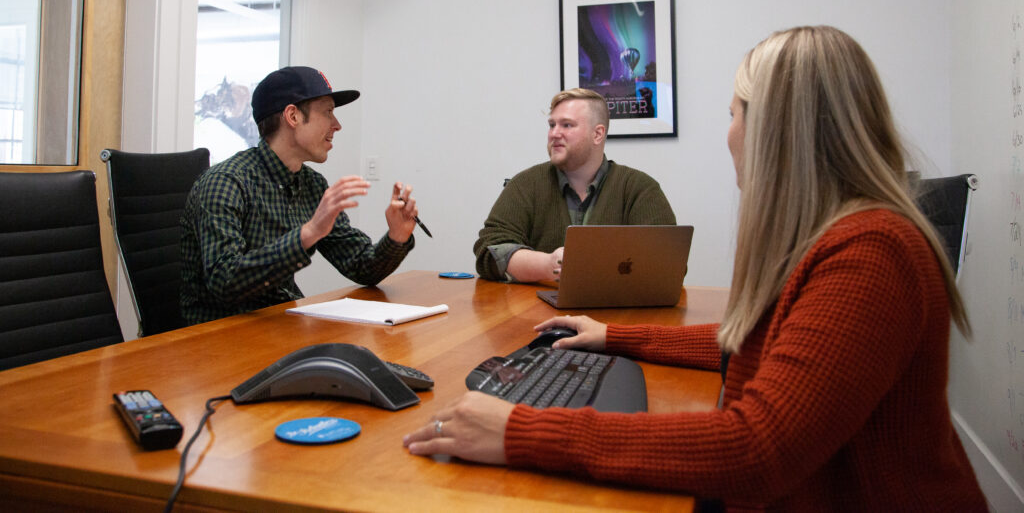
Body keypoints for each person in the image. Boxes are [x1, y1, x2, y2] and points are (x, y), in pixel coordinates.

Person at [405, 27, 986, 511]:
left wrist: (519, 431)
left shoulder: (869, 253)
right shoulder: (835, 236)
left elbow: (755, 449)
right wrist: (614, 336)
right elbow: (758, 344)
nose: (728, 133)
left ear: (776, 129)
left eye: (733, 114)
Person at [180, 66, 419, 325]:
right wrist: (307, 234)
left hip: (280, 325)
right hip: (219, 339)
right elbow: (224, 281)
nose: (337, 125)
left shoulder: (312, 185)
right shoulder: (225, 183)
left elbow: (361, 266)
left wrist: (397, 236)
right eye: (328, 112)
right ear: (292, 116)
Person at [473, 88, 676, 283]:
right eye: (552, 125)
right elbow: (488, 251)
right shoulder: (525, 185)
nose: (554, 133)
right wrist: (548, 265)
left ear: (597, 134)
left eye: (567, 125)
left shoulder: (640, 189)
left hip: (615, 314)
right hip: (538, 313)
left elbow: (669, 264)